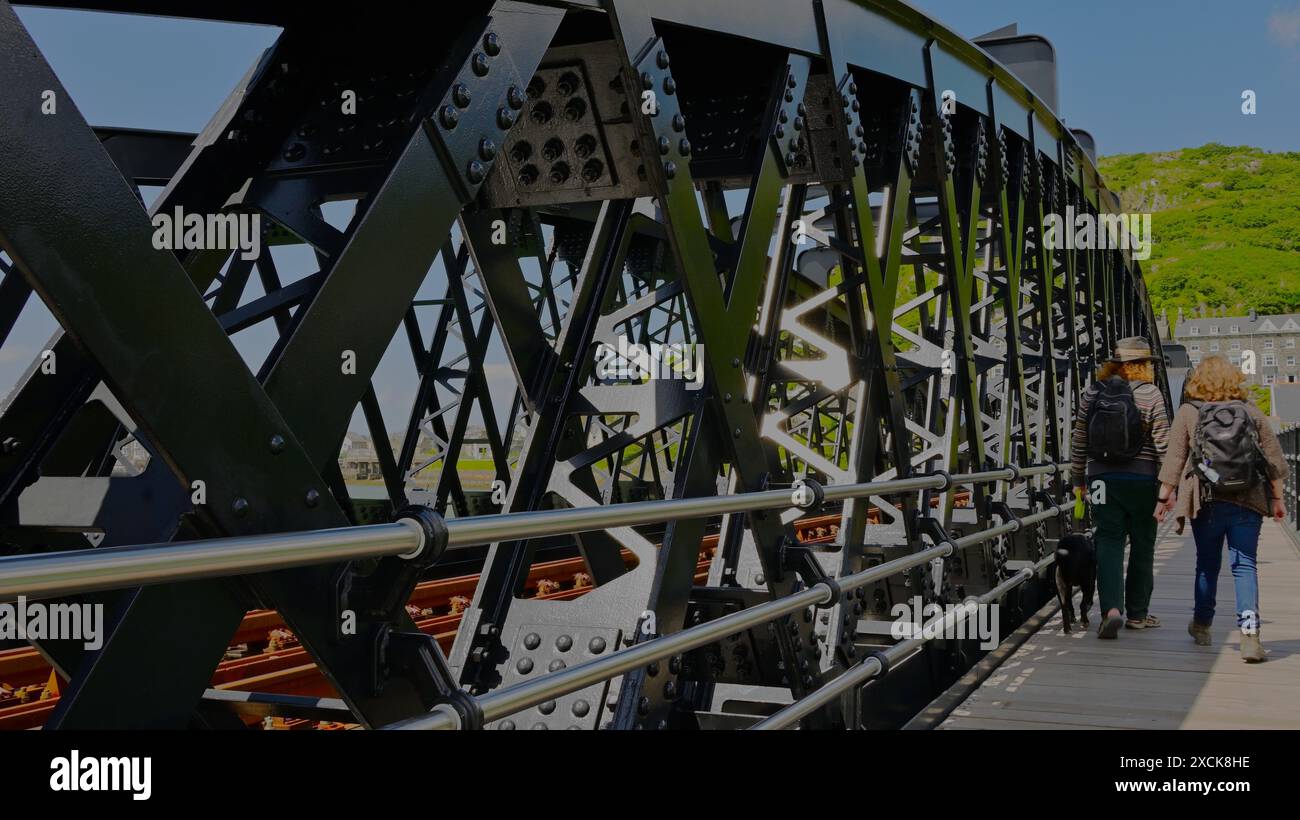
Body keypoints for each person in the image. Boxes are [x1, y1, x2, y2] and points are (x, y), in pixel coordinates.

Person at [1154, 355, 1285, 663]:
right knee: (1245, 565)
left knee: (1206, 564)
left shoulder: (1188, 412)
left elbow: (1174, 460)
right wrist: (1278, 499)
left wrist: (1163, 500)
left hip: (1206, 497)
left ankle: (1202, 625)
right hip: (1247, 498)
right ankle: (1250, 635)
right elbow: (1275, 461)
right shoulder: (1251, 411)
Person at [1071, 337, 1171, 638]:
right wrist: (1169, 487)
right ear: (1145, 365)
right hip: (1143, 481)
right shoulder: (1151, 394)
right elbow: (1164, 443)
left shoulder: (1092, 392)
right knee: (1143, 545)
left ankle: (1111, 609)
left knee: (1108, 542)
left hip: (1101, 479)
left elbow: (1079, 440)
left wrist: (1078, 480)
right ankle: (1138, 614)